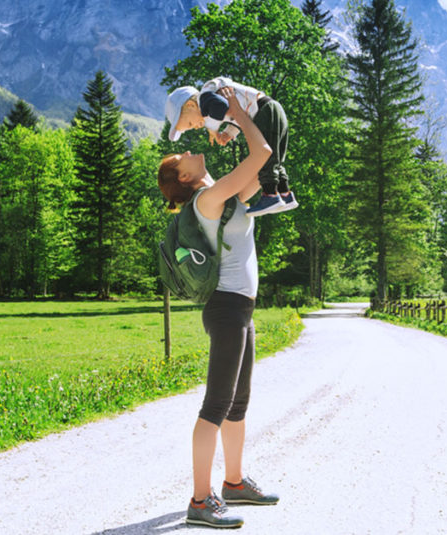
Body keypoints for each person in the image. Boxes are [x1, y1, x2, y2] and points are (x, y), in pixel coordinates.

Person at [158, 86, 280, 529]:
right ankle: (199, 499)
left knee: (238, 403)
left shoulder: (224, 197)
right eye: (182, 159)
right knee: (216, 405)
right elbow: (262, 150)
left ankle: (233, 483)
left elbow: (260, 168)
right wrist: (235, 114)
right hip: (227, 310)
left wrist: (230, 126)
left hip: (240, 310)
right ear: (185, 179)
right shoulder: (207, 201)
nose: (190, 150)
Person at [165, 76, 296, 217]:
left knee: (269, 163)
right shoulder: (210, 101)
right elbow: (236, 115)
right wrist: (228, 133)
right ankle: (285, 194)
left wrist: (213, 130)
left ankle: (270, 195)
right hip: (271, 110)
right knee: (276, 161)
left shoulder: (205, 99)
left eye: (190, 124)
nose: (196, 128)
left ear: (190, 105)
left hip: (264, 112)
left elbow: (223, 107)